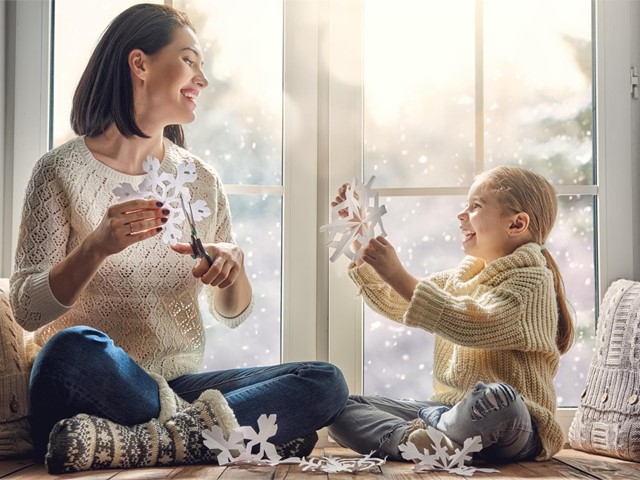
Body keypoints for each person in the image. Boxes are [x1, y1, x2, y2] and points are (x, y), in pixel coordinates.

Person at [10, 3, 347, 473]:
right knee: (71, 348)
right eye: (189, 60)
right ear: (140, 64)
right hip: (84, 387)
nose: (202, 80)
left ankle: (144, 443)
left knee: (324, 381)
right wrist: (96, 247)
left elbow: (230, 313)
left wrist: (233, 271)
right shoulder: (59, 171)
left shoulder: (199, 180)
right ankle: (222, 437)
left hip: (173, 386)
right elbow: (27, 309)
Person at [327, 165, 574, 464]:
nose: (461, 215)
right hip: (449, 412)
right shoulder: (461, 278)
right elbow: (401, 302)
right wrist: (362, 241)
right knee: (339, 407)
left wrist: (398, 274)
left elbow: (472, 322)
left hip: (516, 426)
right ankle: (416, 440)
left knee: (498, 399)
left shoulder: (533, 281)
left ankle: (436, 433)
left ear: (517, 224)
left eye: (475, 206)